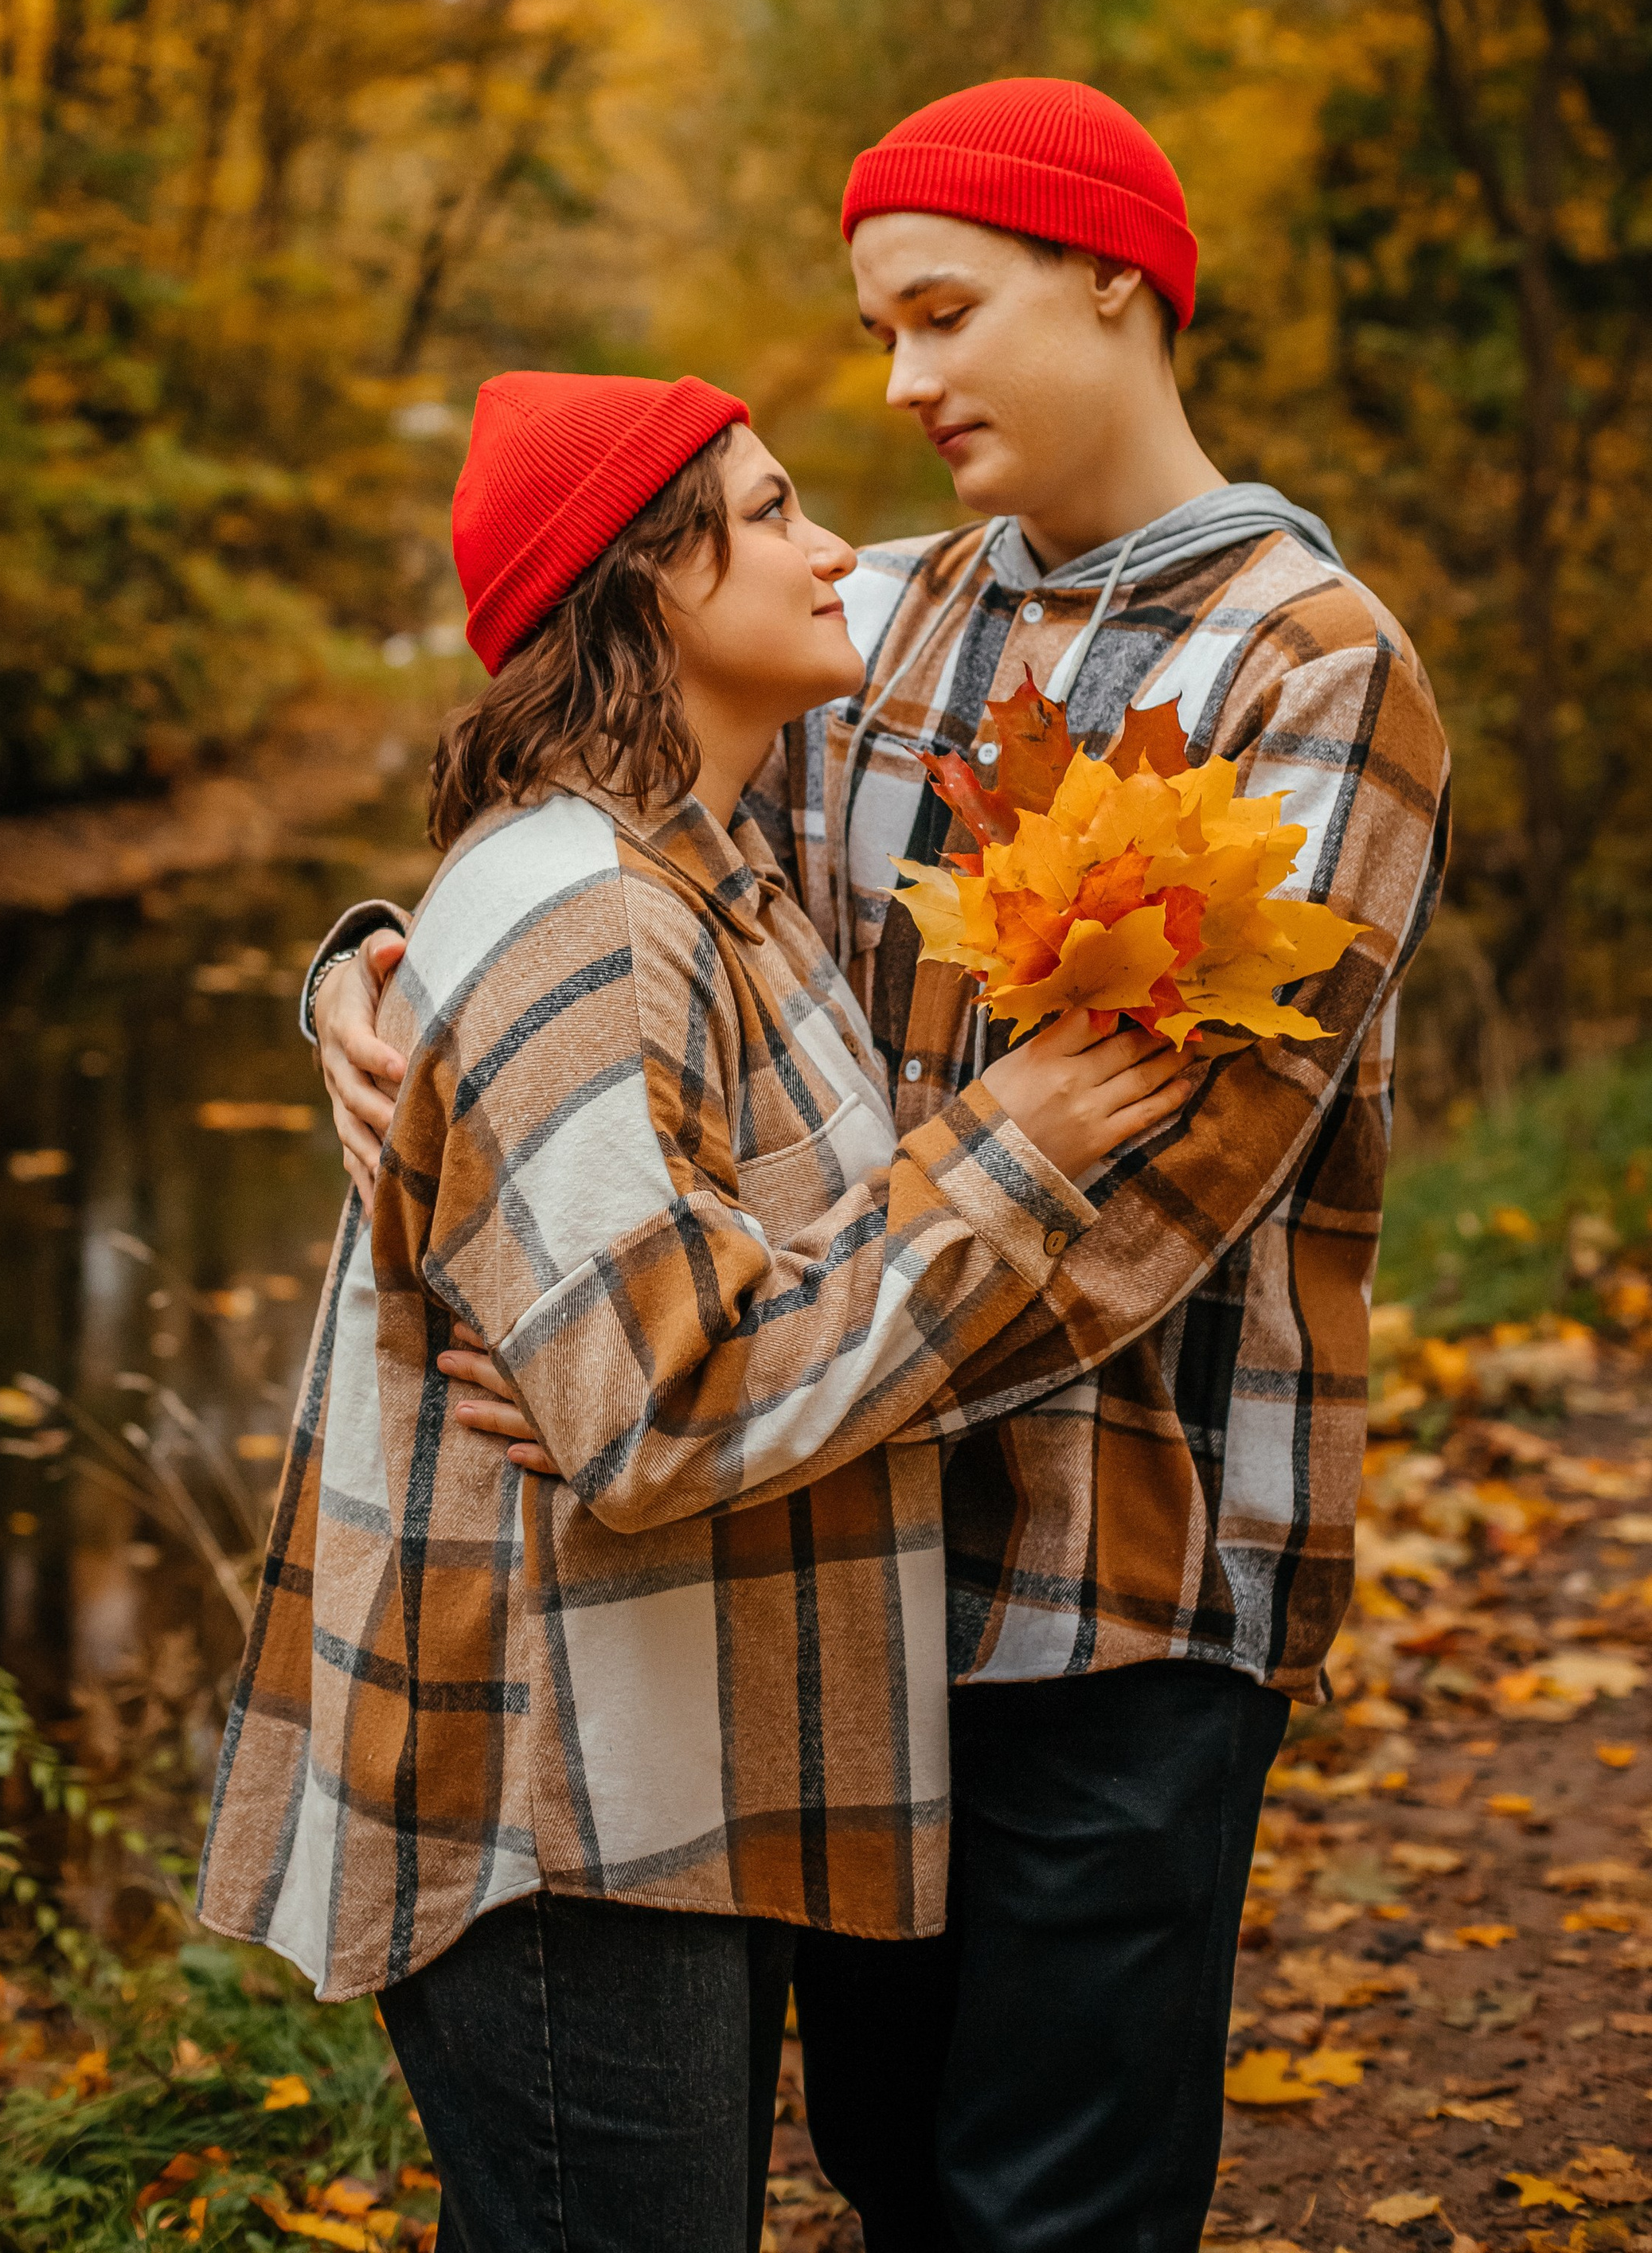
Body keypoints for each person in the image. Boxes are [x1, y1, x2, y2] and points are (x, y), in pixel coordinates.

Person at [311, 81, 1451, 2253]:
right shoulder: (888, 623)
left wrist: (680, 1390)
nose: (904, 383)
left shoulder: (1315, 672)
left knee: (1045, 2211)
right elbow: (618, 863)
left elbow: (1136, 1215)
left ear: (1115, 279)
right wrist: (373, 972)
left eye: (943, 314)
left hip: (1116, 1592)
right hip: (837, 1586)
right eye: (881, 336)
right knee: (889, 2172)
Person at [200, 365, 1208, 2253]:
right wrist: (1004, 1148)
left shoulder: (714, 879)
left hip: (656, 1766)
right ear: (639, 580)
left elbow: (716, 1316)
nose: (833, 548)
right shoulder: (588, 908)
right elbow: (656, 1411)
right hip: (556, 1804)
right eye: (766, 513)